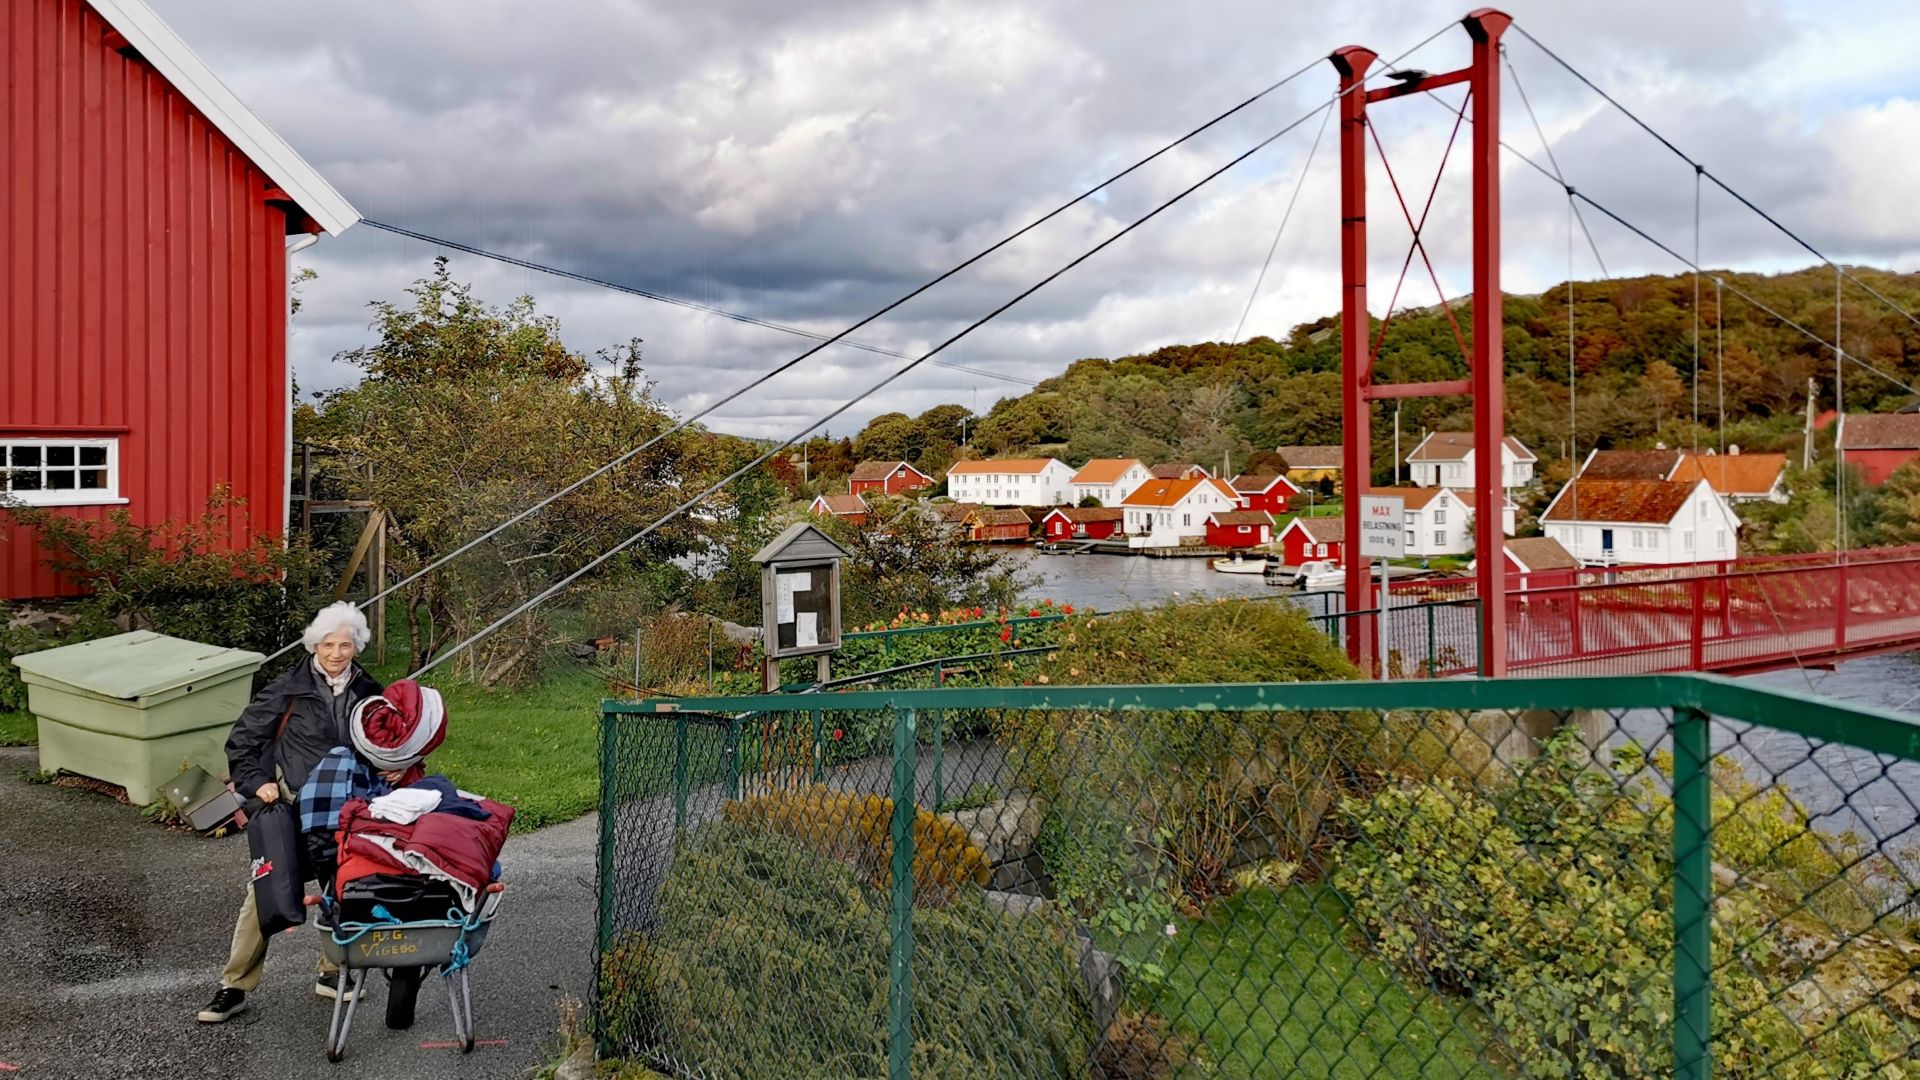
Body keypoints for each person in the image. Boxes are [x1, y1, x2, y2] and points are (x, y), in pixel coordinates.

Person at [197, 602, 383, 1024]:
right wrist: (256, 781)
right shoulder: (287, 687)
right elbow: (243, 739)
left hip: (347, 811)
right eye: (328, 644)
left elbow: (381, 746)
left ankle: (334, 972)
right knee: (265, 894)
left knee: (343, 888)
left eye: (345, 644)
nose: (336, 653)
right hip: (293, 807)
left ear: (357, 646)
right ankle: (234, 987)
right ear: (314, 644)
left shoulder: (369, 692)